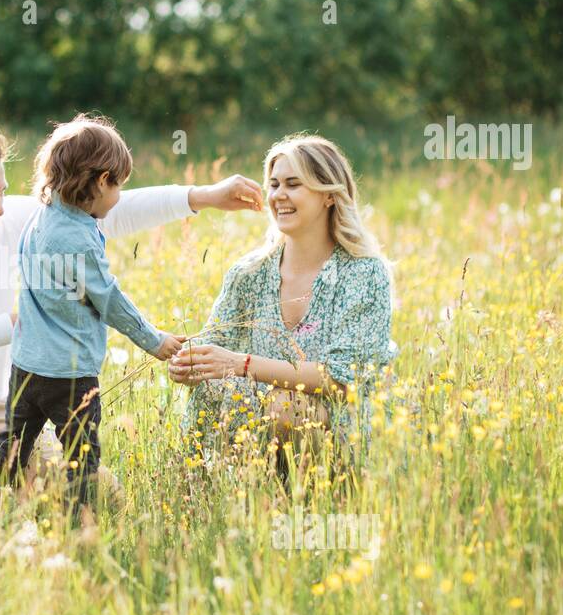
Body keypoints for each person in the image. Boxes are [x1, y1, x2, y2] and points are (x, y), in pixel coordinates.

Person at [0, 122, 263, 473]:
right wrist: (18, 324)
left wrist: (203, 196)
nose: (0, 209)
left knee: (94, 492)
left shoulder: (19, 220)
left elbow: (102, 207)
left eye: (1, 192)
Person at [0, 115, 185, 510]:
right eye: (118, 184)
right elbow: (109, 300)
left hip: (25, 366)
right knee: (80, 459)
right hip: (69, 374)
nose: (120, 194)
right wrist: (154, 340)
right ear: (101, 180)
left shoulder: (41, 218)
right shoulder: (78, 239)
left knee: (11, 448)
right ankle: (79, 530)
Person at [167, 134, 396, 469]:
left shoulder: (363, 273)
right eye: (273, 185)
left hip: (340, 422)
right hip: (264, 420)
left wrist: (241, 364)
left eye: (293, 184)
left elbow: (343, 379)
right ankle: (216, 492)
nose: (278, 196)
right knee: (215, 393)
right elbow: (217, 345)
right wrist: (192, 363)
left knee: (285, 407)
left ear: (329, 196)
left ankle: (321, 493)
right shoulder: (249, 273)